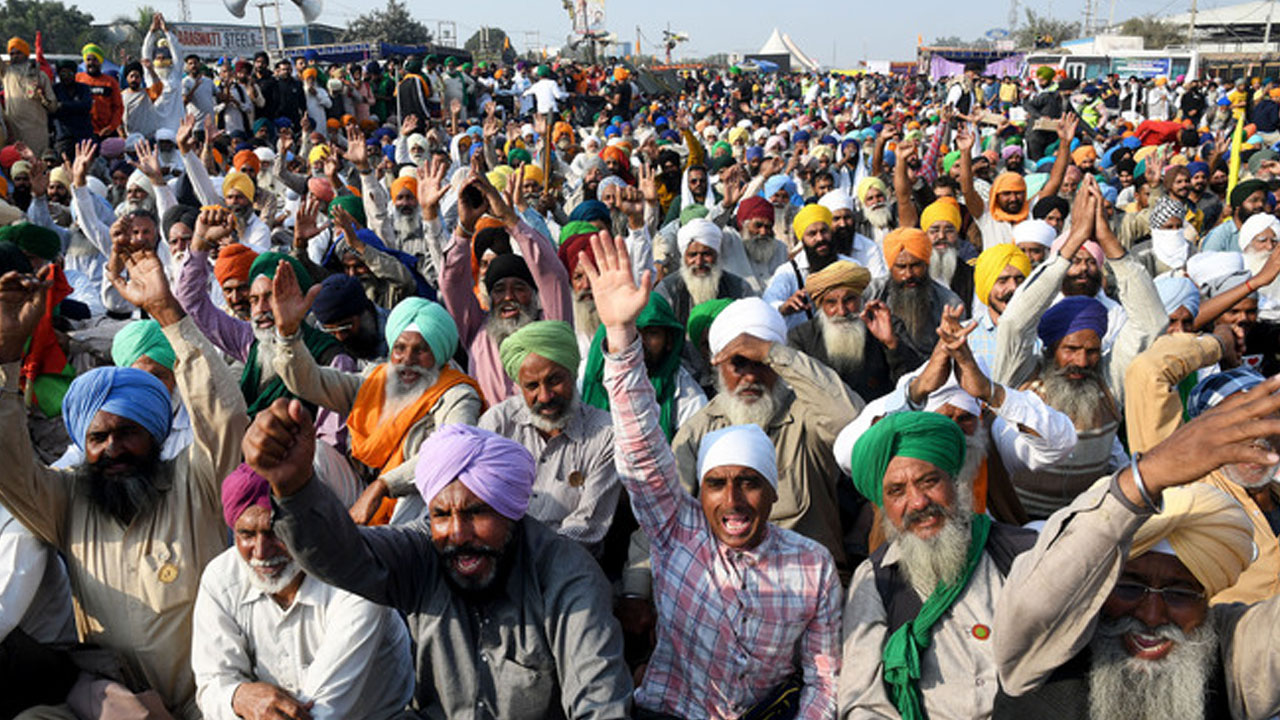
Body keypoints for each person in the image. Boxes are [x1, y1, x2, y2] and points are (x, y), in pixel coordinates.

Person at [584, 230, 841, 719]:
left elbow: (823, 677)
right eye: (716, 484)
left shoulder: (813, 567)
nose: (733, 500)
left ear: (771, 492)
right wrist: (620, 338)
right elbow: (641, 454)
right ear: (698, 493)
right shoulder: (678, 532)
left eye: (749, 482)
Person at [0, 237, 248, 717]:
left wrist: (168, 313)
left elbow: (223, 417)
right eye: (98, 438)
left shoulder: (194, 481)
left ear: (155, 434)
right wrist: (7, 355)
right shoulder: (68, 500)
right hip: (119, 703)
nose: (112, 448)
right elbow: (8, 468)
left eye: (127, 433)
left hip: (210, 699)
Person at [247, 411, 632, 718]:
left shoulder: (568, 576)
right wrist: (295, 488)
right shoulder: (424, 550)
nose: (457, 533)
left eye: (478, 512)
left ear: (512, 511)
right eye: (442, 514)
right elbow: (343, 556)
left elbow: (599, 703)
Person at [993, 380, 1280, 719]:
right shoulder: (1041, 650)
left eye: (1179, 592)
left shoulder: (1231, 654)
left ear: (1207, 597)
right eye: (1129, 587)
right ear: (1098, 586)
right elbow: (1037, 600)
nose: (1152, 615)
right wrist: (1148, 475)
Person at [839, 411, 1038, 720]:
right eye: (897, 491)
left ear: (954, 482)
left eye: (929, 481)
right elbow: (862, 701)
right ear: (883, 506)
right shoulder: (876, 579)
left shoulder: (1020, 552)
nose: (918, 502)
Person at [192, 465, 414, 720]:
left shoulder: (356, 574)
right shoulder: (221, 578)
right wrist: (237, 696)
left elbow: (320, 710)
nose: (261, 552)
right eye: (247, 534)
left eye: (275, 532)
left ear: (305, 525)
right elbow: (212, 685)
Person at [267, 282, 483, 526]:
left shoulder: (457, 395)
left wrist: (384, 486)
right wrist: (288, 335)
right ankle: (312, 542)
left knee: (428, 486)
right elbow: (310, 382)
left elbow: (453, 450)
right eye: (400, 349)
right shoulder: (376, 378)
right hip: (362, 487)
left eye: (421, 350)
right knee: (314, 452)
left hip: (408, 497)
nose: (407, 360)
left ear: (440, 353)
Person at [481, 320, 620, 556]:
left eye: (555, 380)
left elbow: (586, 527)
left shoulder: (605, 433)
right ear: (520, 386)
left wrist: (528, 560)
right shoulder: (499, 423)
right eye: (532, 386)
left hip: (567, 565)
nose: (544, 396)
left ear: (572, 372)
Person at [438, 171, 571, 404]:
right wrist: (465, 228)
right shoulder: (477, 329)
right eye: (499, 289)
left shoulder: (551, 326)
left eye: (519, 287)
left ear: (533, 293)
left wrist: (510, 219)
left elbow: (553, 276)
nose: (509, 296)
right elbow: (452, 282)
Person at [788, 259, 923, 400]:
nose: (841, 311)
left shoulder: (888, 325)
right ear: (820, 305)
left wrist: (892, 344)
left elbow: (915, 383)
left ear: (861, 298)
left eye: (849, 300)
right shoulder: (801, 338)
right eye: (831, 302)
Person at [862, 227, 966, 355]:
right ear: (890, 267)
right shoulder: (870, 294)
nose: (908, 275)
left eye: (916, 265)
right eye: (901, 267)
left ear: (926, 264)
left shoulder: (949, 303)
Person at [655, 217, 753, 325]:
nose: (699, 262)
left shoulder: (740, 289)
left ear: (717, 255)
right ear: (683, 257)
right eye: (693, 255)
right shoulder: (668, 289)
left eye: (706, 254)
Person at [966, 243, 1032, 370]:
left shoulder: (1042, 332)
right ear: (986, 286)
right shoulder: (967, 335)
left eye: (1019, 280)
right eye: (1003, 281)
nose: (1013, 287)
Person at [1, 37, 58, 154]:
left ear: (26, 54)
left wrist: (42, 97)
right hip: (14, 130)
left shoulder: (40, 76)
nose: (15, 56)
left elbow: (53, 106)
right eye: (12, 54)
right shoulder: (6, 73)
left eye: (18, 53)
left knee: (37, 164)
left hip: (35, 131)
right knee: (16, 165)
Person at [77, 44, 122, 140]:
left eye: (95, 60)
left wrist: (111, 127)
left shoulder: (110, 82)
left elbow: (118, 107)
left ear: (100, 62)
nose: (91, 63)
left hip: (106, 132)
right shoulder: (78, 79)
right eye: (88, 60)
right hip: (84, 131)